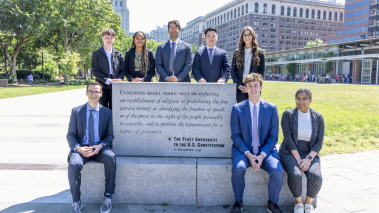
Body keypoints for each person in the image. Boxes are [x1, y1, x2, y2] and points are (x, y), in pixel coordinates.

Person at [230, 73, 284, 213]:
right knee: (238, 169)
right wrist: (248, 154)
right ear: (245, 89)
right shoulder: (237, 109)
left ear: (261, 87)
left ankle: (272, 203)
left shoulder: (271, 108)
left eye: (255, 86)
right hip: (243, 150)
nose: (253, 89)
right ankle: (238, 202)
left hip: (266, 151)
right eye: (250, 86)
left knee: (277, 170)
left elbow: (273, 137)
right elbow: (235, 136)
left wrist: (262, 155)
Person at [67, 82, 116, 213]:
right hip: (82, 149)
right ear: (86, 93)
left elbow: (110, 135)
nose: (93, 94)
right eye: (90, 91)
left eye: (96, 91)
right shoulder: (76, 111)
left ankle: (108, 196)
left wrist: (100, 146)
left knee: (110, 157)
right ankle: (76, 201)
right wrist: (78, 148)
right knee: (73, 164)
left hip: (99, 148)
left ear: (101, 93)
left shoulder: (107, 112)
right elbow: (70, 135)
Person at [279, 88, 324, 213]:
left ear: (310, 100)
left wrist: (309, 159)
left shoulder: (318, 117)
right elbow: (288, 139)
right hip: (289, 151)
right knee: (295, 175)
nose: (301, 102)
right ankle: (298, 202)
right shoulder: (288, 114)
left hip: (310, 152)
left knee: (316, 176)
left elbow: (319, 142)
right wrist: (299, 160)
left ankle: (308, 202)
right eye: (298, 99)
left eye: (304, 99)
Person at [91, 28, 124, 109]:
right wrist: (108, 81)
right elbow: (95, 71)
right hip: (102, 86)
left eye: (111, 37)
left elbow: (122, 70)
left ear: (114, 39)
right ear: (102, 38)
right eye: (106, 37)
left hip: (116, 87)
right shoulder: (96, 54)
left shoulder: (118, 54)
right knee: (103, 110)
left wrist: (119, 79)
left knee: (115, 110)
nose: (109, 39)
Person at [231, 26, 265, 103]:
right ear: (242, 37)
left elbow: (261, 72)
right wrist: (239, 85)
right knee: (242, 111)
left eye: (249, 34)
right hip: (240, 87)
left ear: (253, 36)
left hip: (254, 87)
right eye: (245, 35)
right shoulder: (236, 53)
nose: (247, 37)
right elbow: (233, 72)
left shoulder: (260, 53)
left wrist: (252, 86)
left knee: (254, 110)